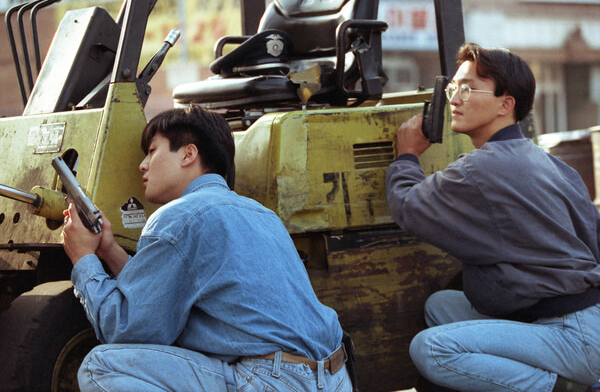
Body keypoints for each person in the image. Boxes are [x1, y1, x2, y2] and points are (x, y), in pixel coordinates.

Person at [62, 106, 352, 391]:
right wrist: (109, 250)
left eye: (152, 151)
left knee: (100, 366)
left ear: (189, 154)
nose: (142, 164)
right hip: (334, 378)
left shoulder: (178, 216)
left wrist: (83, 258)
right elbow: (164, 292)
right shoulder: (261, 213)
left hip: (272, 380)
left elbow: (127, 327)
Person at [385, 42, 600, 392]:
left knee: (430, 349)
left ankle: (562, 387)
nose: (454, 98)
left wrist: (407, 155)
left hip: (572, 337)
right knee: (442, 306)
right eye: (454, 87)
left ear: (506, 104)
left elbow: (408, 206)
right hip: (582, 323)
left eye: (468, 88)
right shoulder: (547, 161)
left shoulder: (479, 169)